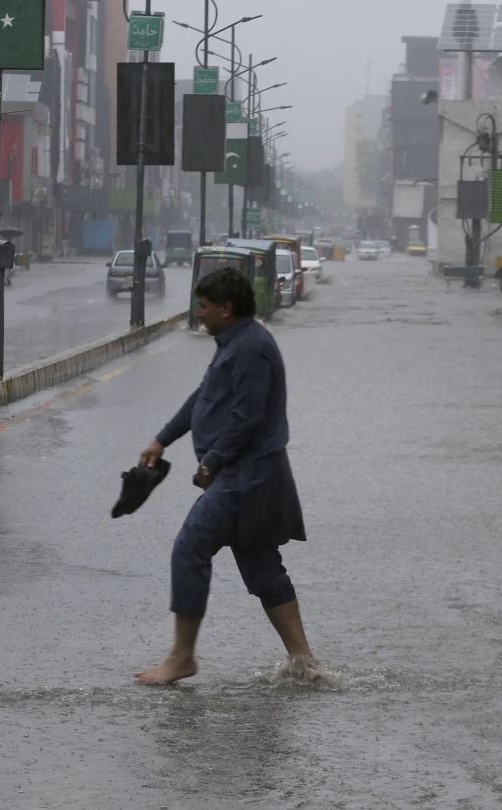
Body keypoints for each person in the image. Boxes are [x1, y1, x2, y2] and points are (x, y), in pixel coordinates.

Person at [134, 268, 315, 685]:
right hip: (247, 475)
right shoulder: (234, 344)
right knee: (261, 566)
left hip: (247, 476)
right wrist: (162, 440)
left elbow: (247, 417)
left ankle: (182, 657)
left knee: (190, 547)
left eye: (203, 306)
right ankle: (304, 662)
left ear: (226, 308)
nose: (198, 314)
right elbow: (205, 397)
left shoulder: (251, 348)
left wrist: (211, 461)